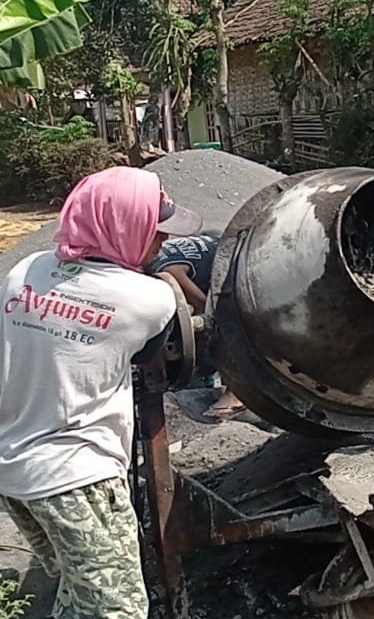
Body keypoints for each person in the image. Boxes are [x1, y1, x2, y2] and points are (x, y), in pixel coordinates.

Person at [0, 166, 202, 618]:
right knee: (119, 608)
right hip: (76, 476)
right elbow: (151, 353)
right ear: (125, 228)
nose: (162, 242)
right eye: (155, 230)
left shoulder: (25, 270)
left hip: (12, 467)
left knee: (78, 591)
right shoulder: (149, 299)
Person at [146, 230, 243, 420]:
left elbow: (205, 309)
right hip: (219, 244)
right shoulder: (152, 257)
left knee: (228, 323)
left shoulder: (164, 270)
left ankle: (237, 393)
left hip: (233, 265)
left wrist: (206, 317)